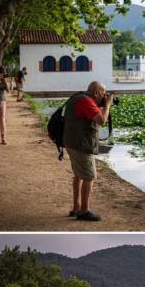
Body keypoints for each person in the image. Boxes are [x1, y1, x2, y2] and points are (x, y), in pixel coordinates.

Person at [63, 81, 114, 221]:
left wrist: (102, 105)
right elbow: (101, 120)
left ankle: (76, 207)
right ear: (96, 92)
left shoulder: (79, 97)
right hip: (81, 145)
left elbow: (88, 115)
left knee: (78, 175)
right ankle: (84, 211)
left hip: (71, 142)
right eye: (103, 92)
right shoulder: (86, 102)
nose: (105, 95)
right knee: (89, 177)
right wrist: (108, 105)